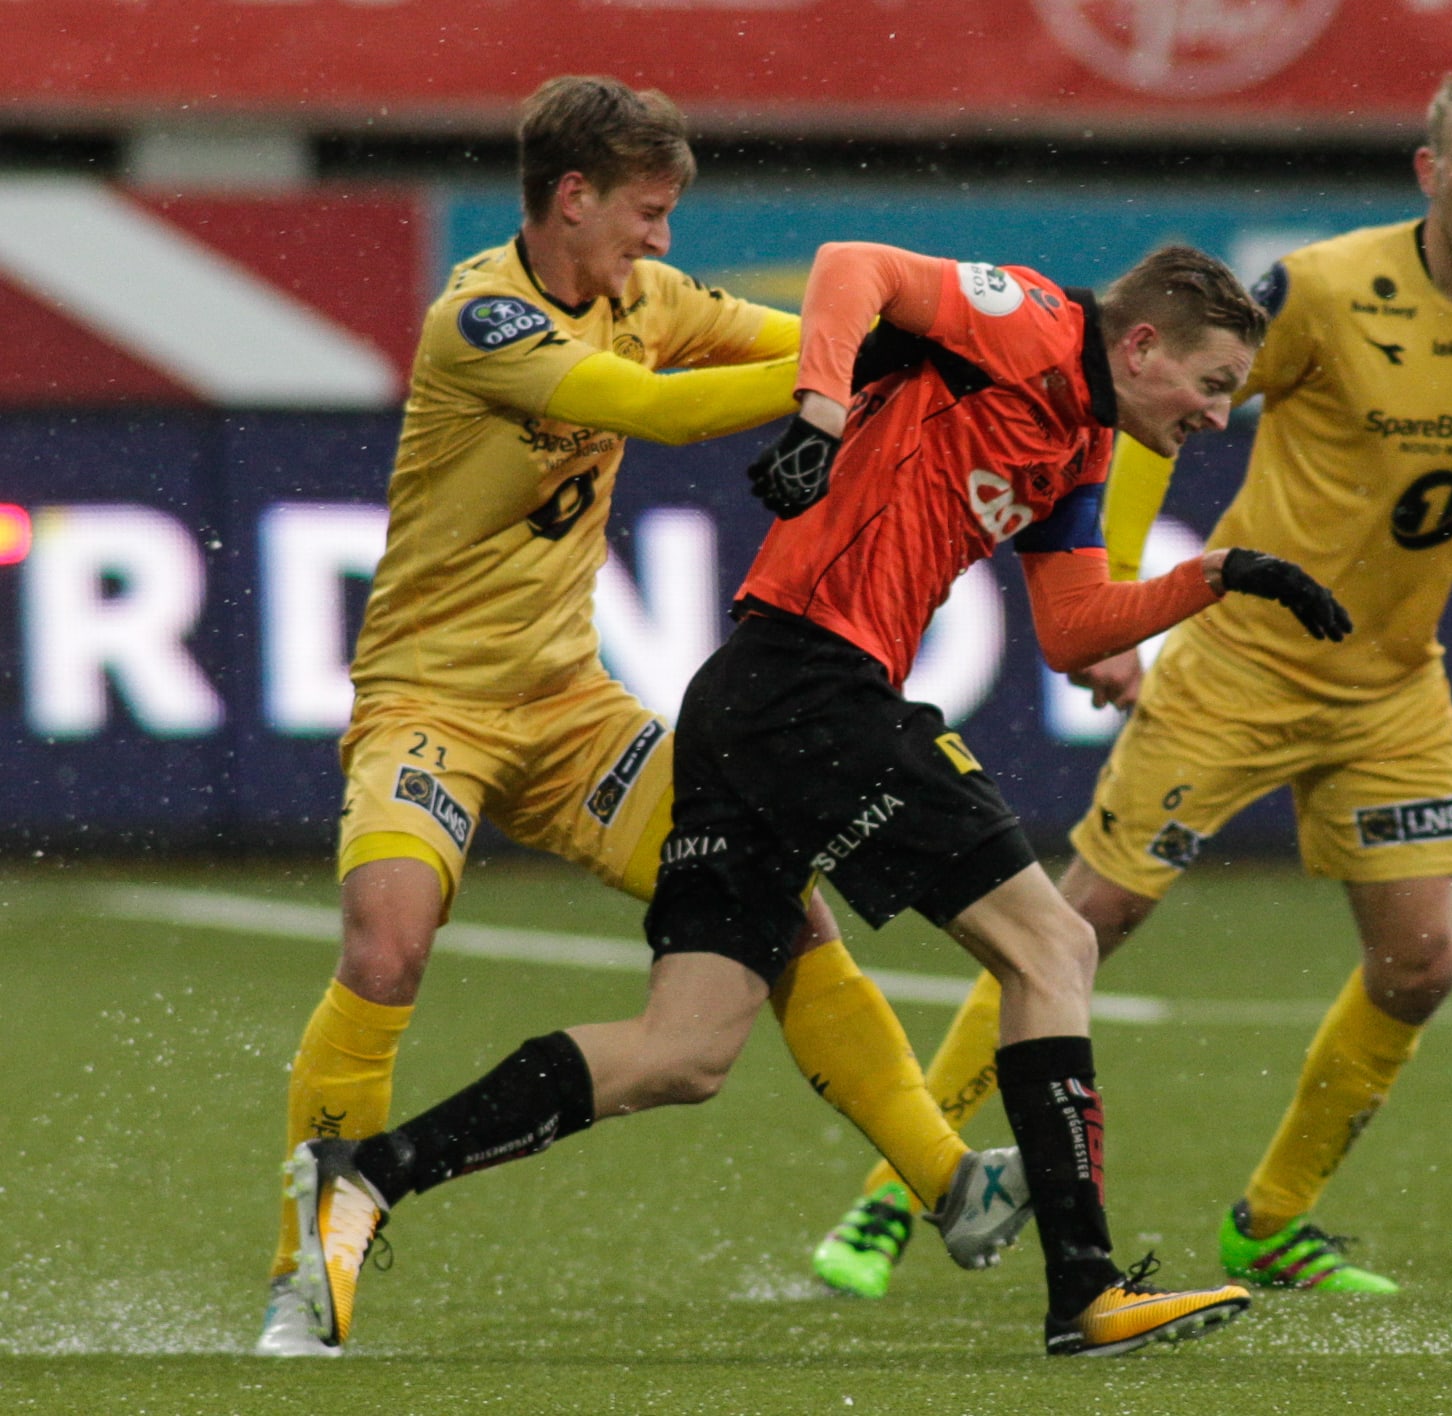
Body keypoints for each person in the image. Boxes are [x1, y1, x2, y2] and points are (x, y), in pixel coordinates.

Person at [284, 238, 1355, 1357]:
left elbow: (1071, 626)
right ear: (1140, 346)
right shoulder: (1028, 317)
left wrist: (1217, 577)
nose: (1218, 415)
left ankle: (370, 1175)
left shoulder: (1083, 439)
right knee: (1054, 946)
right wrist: (823, 413)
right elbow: (853, 266)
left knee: (685, 1050)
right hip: (813, 687)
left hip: (753, 703)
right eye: (1212, 384)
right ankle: (1086, 1289)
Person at [811, 61, 1452, 1299]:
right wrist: (1114, 590)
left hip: (1392, 684)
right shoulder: (1330, 290)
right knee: (1081, 924)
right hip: (1241, 661)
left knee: (1422, 965)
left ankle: (1272, 1221)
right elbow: (1165, 404)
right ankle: (901, 1187)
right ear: (1430, 170)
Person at [257, 75, 996, 1356]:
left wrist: (900, 346)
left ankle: (949, 1180)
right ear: (572, 198)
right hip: (432, 707)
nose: (662, 239)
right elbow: (655, 410)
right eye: (647, 213)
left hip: (573, 711)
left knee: (780, 909)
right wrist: (832, 385)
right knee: (385, 952)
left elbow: (793, 336)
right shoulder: (479, 318)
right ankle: (304, 1268)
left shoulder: (649, 295)